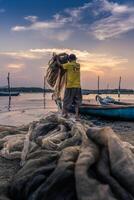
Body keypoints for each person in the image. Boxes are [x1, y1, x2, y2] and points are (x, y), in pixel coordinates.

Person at [56, 53, 82, 120]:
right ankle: (76, 116)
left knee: (66, 100)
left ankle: (65, 114)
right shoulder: (78, 65)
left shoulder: (68, 65)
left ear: (70, 59)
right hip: (78, 86)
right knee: (77, 102)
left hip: (70, 86)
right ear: (75, 59)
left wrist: (57, 59)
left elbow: (60, 65)